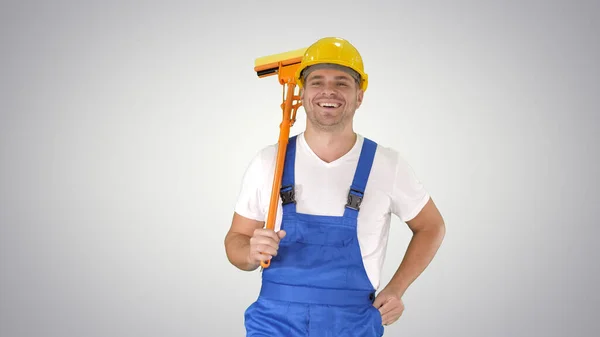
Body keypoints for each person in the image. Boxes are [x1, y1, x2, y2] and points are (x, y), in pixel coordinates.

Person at [224, 36, 446, 336]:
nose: (328, 90)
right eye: (317, 81)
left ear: (359, 95)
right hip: (273, 322)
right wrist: (250, 252)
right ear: (301, 94)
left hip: (352, 323)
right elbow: (235, 240)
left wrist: (396, 289)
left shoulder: (387, 164)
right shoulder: (269, 161)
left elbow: (432, 226)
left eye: (342, 82)